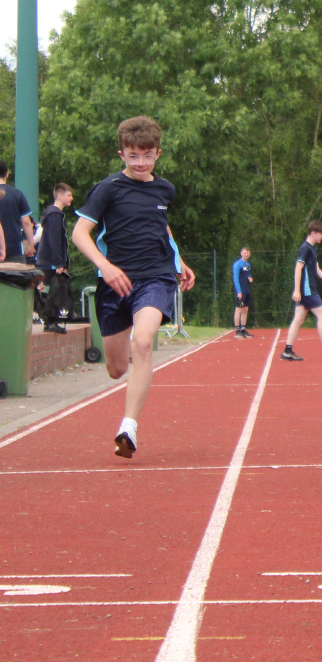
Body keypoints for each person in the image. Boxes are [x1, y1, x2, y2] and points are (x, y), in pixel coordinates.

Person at [72, 117, 197, 458]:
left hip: (156, 277)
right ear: (121, 154)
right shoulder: (107, 189)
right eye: (133, 156)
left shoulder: (165, 189)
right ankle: (128, 358)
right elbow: (79, 233)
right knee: (116, 369)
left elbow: (161, 226)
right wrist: (105, 266)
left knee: (143, 342)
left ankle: (128, 426)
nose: (141, 163)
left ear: (158, 153)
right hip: (114, 283)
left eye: (147, 156)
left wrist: (178, 261)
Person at [281, 221, 322, 361]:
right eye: (321, 234)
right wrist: (297, 290)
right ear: (313, 233)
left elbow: (316, 269)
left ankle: (287, 351)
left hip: (308, 289)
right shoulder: (305, 248)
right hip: (307, 290)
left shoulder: (312, 249)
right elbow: (298, 268)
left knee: (299, 319)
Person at [35, 183, 74, 333]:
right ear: (59, 196)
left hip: (47, 261)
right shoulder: (55, 215)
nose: (71, 198)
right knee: (54, 292)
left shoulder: (52, 214)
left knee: (51, 291)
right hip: (50, 262)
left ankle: (50, 320)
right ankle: (50, 322)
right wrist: (59, 263)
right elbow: (55, 240)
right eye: (69, 195)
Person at [0, 160, 36, 263]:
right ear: (7, 174)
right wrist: (31, 244)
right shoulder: (17, 194)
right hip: (14, 248)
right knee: (17, 273)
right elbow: (26, 222)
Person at [232, 247, 254, 338]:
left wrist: (250, 279)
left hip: (247, 290)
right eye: (245, 253)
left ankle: (243, 329)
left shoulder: (248, 265)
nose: (246, 254)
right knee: (239, 309)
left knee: (245, 310)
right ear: (241, 253)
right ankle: (237, 331)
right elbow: (236, 279)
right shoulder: (237, 264)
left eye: (247, 253)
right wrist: (239, 292)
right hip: (240, 291)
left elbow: (248, 275)